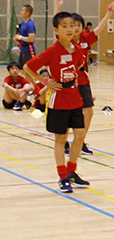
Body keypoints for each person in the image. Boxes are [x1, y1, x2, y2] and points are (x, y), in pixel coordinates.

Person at [23, 12, 89, 193]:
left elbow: (77, 67)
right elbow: (27, 67)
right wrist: (44, 81)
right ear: (56, 30)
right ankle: (62, 177)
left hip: (74, 96)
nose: (70, 29)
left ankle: (72, 171)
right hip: (58, 98)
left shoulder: (78, 49)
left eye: (72, 25)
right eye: (65, 26)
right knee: (61, 138)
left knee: (80, 135)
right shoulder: (52, 51)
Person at [55, 0, 114, 156]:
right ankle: (65, 142)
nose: (76, 28)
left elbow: (100, 28)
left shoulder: (85, 38)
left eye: (79, 25)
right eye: (73, 25)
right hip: (69, 81)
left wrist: (109, 13)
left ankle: (80, 141)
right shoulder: (65, 40)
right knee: (69, 113)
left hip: (83, 79)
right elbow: (56, 23)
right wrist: (58, 6)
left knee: (88, 111)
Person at [14, 4, 36, 69]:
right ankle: (29, 79)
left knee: (30, 69)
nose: (21, 12)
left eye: (22, 10)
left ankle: (39, 79)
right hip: (23, 49)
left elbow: (31, 39)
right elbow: (21, 36)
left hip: (28, 50)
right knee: (21, 68)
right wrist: (17, 39)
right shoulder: (23, 23)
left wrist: (20, 37)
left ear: (27, 13)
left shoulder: (30, 24)